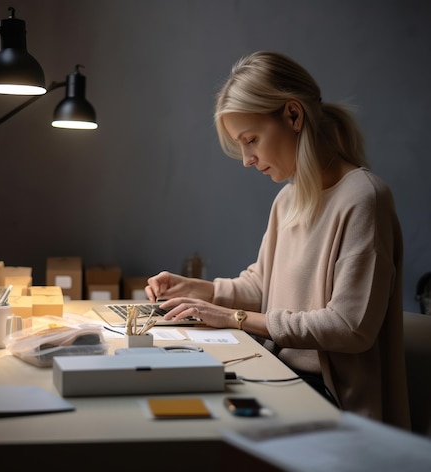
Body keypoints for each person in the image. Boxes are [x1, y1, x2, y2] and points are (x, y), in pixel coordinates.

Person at [145, 51, 410, 430]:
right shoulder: (288, 198)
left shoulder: (363, 197)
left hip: (330, 398)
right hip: (277, 370)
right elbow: (262, 284)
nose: (247, 160)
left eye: (250, 140)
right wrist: (200, 290)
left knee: (195, 423)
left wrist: (234, 319)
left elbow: (350, 328)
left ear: (293, 115)